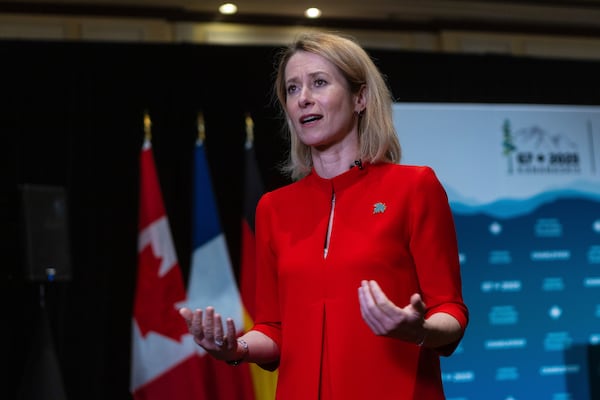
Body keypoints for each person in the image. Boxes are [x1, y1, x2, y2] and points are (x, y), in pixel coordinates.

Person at [179, 31, 468, 399]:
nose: (304, 99)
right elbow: (273, 328)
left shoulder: (414, 187)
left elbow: (452, 311)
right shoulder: (274, 208)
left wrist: (419, 330)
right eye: (293, 89)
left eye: (318, 83)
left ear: (360, 97)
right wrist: (235, 349)